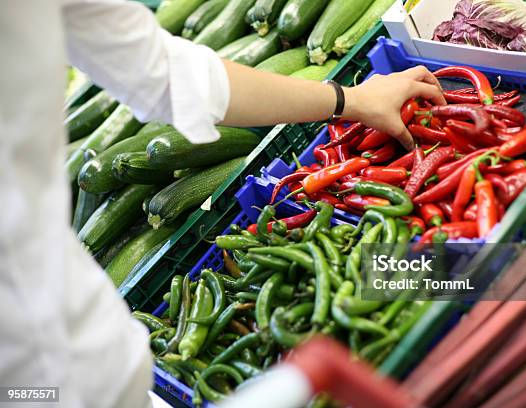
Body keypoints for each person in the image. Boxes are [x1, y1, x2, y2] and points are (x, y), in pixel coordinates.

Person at [0, 1, 445, 406]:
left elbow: (166, 71)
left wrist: (352, 100)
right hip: (46, 373)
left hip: (83, 349)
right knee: (448, 273)